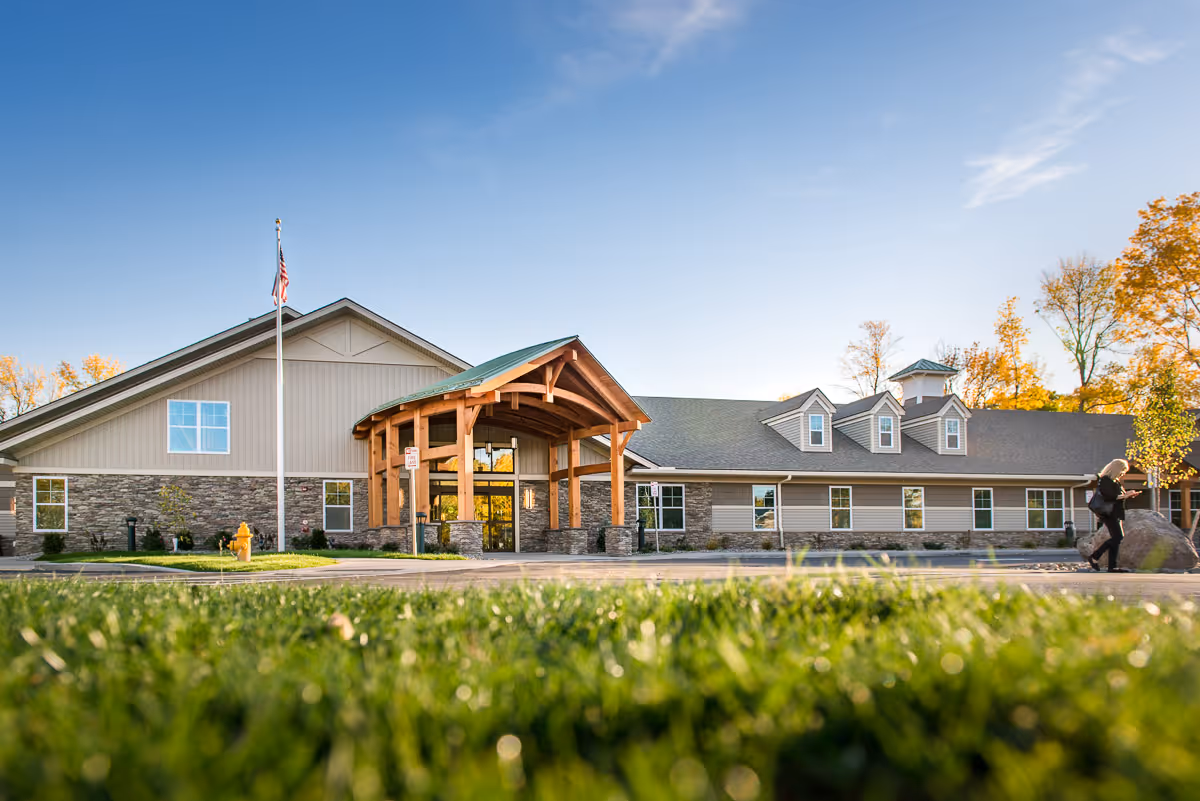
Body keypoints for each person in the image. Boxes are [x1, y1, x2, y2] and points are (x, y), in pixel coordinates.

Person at [1088, 458, 1140, 572]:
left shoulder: (1115, 481)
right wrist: (1125, 495)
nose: (1123, 474)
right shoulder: (1105, 480)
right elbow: (1109, 497)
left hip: (1115, 513)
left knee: (1116, 539)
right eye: (1122, 471)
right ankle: (1095, 556)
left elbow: (1117, 496)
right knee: (1118, 537)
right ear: (1116, 469)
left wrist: (1129, 495)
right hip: (1109, 513)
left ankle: (1112, 567)